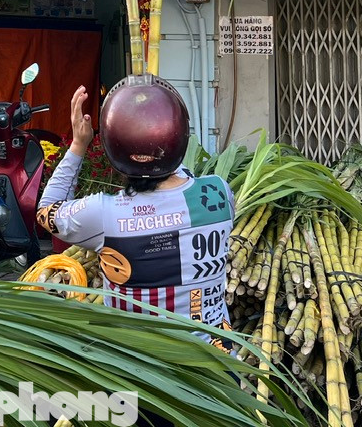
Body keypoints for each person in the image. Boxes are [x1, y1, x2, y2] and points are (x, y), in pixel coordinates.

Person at [36, 75, 234, 427]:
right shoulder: (218, 194)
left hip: (143, 381)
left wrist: (78, 145)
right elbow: (178, 181)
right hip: (217, 374)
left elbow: (46, 210)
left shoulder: (104, 214)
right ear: (180, 140)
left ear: (113, 149)